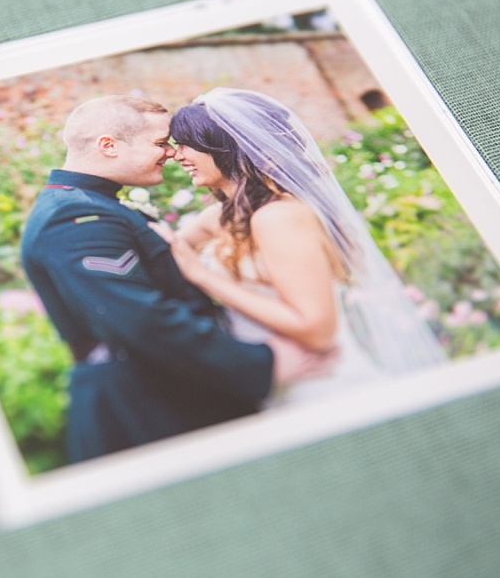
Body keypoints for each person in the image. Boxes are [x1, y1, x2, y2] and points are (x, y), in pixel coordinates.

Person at [20, 95, 333, 464]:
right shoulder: (74, 218)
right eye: (159, 143)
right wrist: (260, 363)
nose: (170, 153)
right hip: (148, 408)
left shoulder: (91, 205)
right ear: (109, 146)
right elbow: (141, 319)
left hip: (171, 392)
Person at [157, 88, 447, 407]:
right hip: (279, 386)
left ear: (227, 147)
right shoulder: (221, 218)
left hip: (324, 386)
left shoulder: (279, 217)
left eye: (187, 145)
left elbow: (317, 330)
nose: (178, 155)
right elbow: (166, 247)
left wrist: (203, 276)